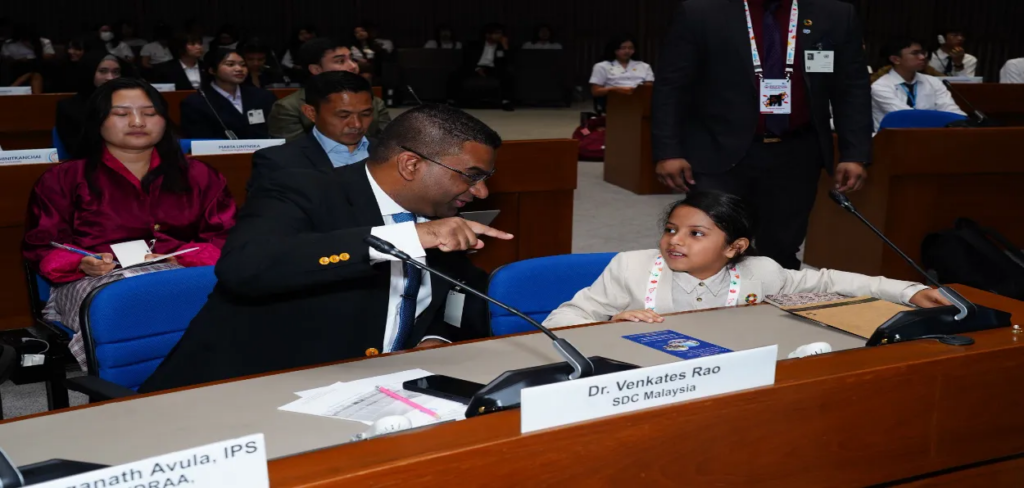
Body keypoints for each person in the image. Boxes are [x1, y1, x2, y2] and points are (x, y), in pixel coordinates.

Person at [139, 103, 510, 392]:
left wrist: (436, 338)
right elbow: (245, 267)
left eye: (486, 178)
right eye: (471, 176)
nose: (481, 192)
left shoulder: (438, 213)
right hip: (248, 390)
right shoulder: (299, 191)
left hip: (382, 390)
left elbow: (461, 289)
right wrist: (404, 238)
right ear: (411, 165)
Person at [24, 78, 236, 370]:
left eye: (149, 113)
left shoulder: (200, 175)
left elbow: (225, 237)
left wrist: (184, 257)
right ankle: (136, 381)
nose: (138, 122)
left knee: (224, 296)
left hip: (183, 271)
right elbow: (42, 244)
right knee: (125, 303)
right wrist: (81, 263)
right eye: (122, 113)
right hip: (93, 279)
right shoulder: (63, 179)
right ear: (98, 120)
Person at [651, 0, 872, 271]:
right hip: (717, 149)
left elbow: (852, 88)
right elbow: (671, 88)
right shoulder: (701, 12)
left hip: (797, 152)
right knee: (711, 244)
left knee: (782, 248)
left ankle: (772, 298)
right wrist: (668, 151)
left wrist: (855, 153)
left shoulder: (834, 13)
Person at [544, 191, 950, 327]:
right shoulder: (630, 267)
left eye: (695, 234)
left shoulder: (761, 272)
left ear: (734, 247)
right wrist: (608, 325)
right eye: (670, 229)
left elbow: (828, 281)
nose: (674, 241)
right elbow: (562, 318)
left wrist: (909, 292)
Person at [252, 71, 374, 191]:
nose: (357, 124)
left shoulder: (384, 152)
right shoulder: (279, 162)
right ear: (311, 113)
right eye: (343, 116)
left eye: (365, 114)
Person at [268, 37, 391, 141]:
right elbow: (292, 153)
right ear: (316, 69)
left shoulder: (375, 102)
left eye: (352, 59)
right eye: (340, 61)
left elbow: (389, 144)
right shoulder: (289, 107)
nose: (353, 66)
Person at [179, 48, 277, 139]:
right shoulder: (196, 102)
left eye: (243, 65)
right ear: (212, 70)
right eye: (230, 64)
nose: (239, 69)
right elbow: (199, 139)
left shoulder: (264, 96)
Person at [871, 38, 966, 131]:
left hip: (931, 135)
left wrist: (963, 123)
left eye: (922, 53)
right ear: (895, 59)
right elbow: (905, 117)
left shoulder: (933, 81)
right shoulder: (880, 86)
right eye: (915, 53)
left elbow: (952, 110)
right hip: (893, 138)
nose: (922, 57)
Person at [55, 51, 126, 154]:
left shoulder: (128, 103)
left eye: (116, 72)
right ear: (89, 72)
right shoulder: (69, 107)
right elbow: (76, 149)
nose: (110, 78)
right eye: (103, 71)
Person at [455, 23, 515, 111]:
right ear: (488, 35)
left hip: (492, 69)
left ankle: (506, 101)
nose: (500, 36)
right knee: (455, 74)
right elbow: (468, 60)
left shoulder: (501, 46)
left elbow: (508, 62)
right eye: (497, 33)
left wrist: (505, 47)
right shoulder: (475, 45)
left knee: (507, 74)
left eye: (501, 33)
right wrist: (477, 69)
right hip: (476, 67)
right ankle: (452, 101)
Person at [589, 35, 654, 101]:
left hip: (639, 100)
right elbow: (595, 91)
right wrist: (616, 89)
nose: (627, 51)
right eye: (623, 48)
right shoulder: (601, 66)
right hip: (613, 100)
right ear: (614, 49)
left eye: (630, 48)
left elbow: (648, 89)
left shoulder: (644, 66)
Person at [0, 24, 53, 93]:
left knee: (36, 73)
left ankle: (11, 88)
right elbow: (5, 58)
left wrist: (34, 47)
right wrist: (17, 60)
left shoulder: (43, 41)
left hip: (37, 64)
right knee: (31, 72)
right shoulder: (9, 44)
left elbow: (50, 56)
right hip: (16, 66)